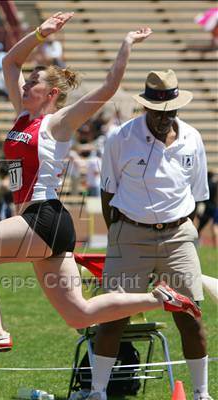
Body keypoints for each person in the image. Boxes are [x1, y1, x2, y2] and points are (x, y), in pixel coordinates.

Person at [0, 13, 200, 362]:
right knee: (79, 314)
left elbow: (109, 88)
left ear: (51, 93)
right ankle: (162, 298)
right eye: (24, 85)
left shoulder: (58, 122)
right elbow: (11, 61)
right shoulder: (22, 116)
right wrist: (40, 33)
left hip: (44, 216)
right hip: (47, 225)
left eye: (30, 85)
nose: (23, 87)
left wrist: (126, 45)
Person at [81, 69, 212, 400]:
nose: (164, 118)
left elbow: (197, 196)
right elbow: (108, 193)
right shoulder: (120, 139)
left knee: (191, 317)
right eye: (158, 112)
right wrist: (121, 234)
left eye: (171, 111)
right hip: (129, 233)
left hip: (178, 236)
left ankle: (200, 394)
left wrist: (183, 230)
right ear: (145, 108)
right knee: (113, 318)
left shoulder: (193, 138)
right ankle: (97, 392)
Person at [197, 171, 218, 248]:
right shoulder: (215, 184)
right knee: (215, 226)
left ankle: (198, 243)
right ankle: (215, 245)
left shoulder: (207, 184)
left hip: (207, 208)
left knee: (200, 227)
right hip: (215, 207)